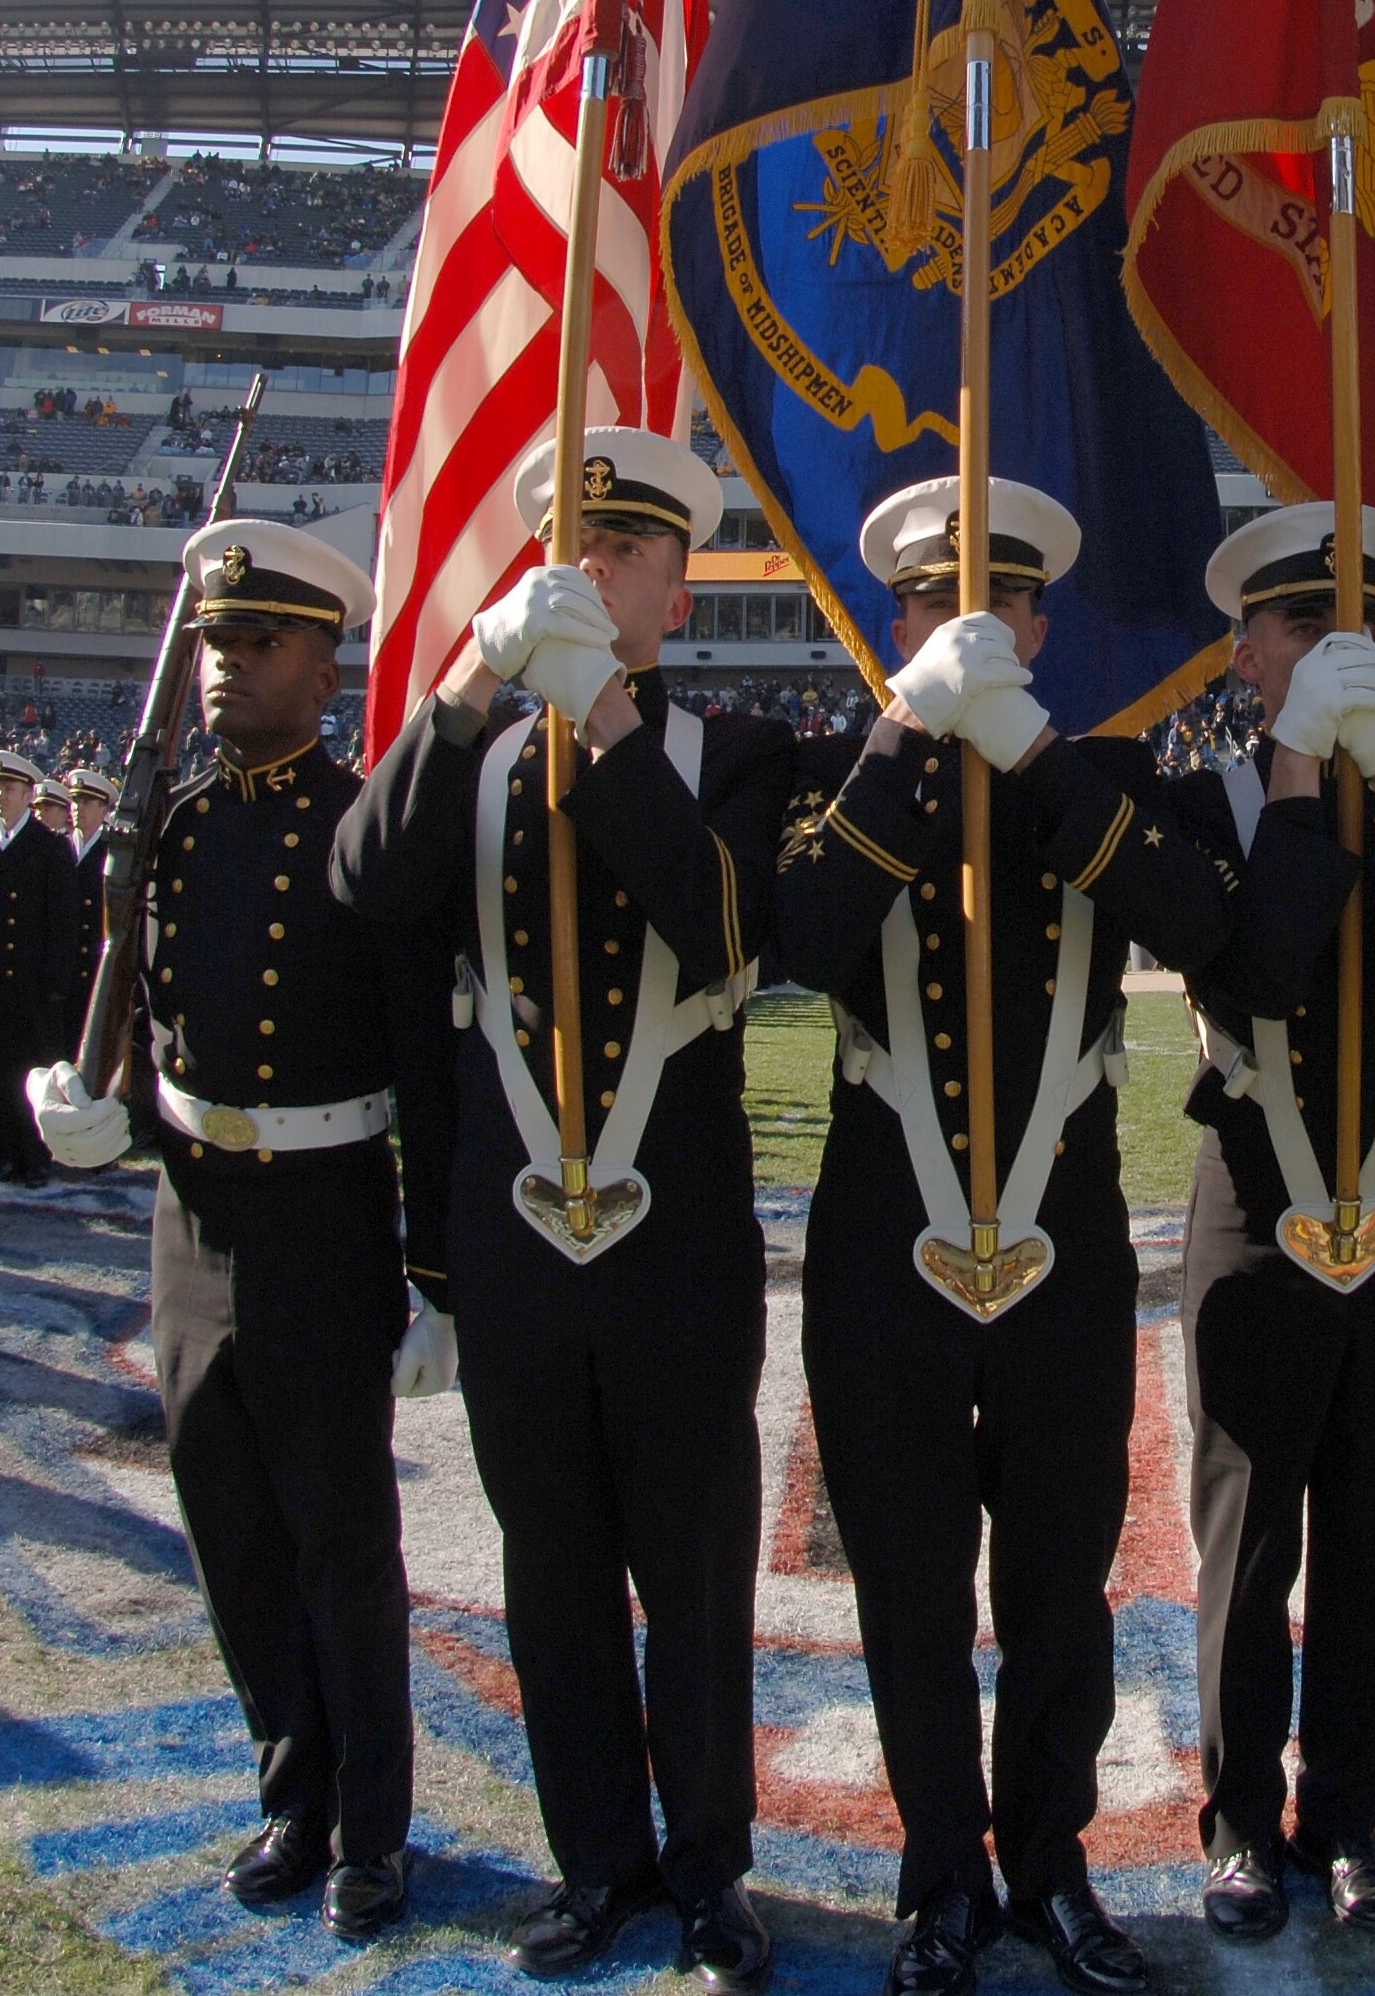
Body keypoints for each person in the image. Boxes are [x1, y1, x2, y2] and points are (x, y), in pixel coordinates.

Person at [331, 428, 793, 1990]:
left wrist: (600, 712)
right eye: (572, 549)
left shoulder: (734, 754)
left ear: (678, 595)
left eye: (628, 551)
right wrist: (473, 683)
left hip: (679, 1242)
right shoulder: (468, 751)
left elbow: (727, 932)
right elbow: (365, 885)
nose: (594, 571)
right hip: (513, 1234)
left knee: (697, 1571)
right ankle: (597, 1861)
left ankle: (712, 1868)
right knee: (554, 1575)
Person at [767, 473, 1231, 1996]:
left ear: (1039, 627)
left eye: (1003, 599)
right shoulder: (836, 769)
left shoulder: (1104, 773)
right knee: (908, 1587)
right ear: (892, 619)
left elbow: (1201, 926)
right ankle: (940, 1879)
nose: (970, 618)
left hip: (1062, 1242)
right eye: (934, 598)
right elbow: (806, 938)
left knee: (1058, 1584)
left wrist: (1029, 755)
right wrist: (912, 728)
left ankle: (1049, 1864)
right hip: (881, 1244)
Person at [28, 522, 438, 1947]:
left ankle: (373, 1830)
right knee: (232, 1534)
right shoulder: (178, 827)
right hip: (193, 1219)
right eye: (214, 642)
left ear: (325, 668)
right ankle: (292, 1796)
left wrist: (435, 1271)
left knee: (341, 1540)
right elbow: (145, 1015)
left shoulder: (363, 830)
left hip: (324, 1220)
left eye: (260, 642)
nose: (227, 665)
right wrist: (100, 1103)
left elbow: (425, 1063)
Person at [1167, 501, 1375, 1946]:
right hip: (1256, 1202)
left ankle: (1350, 1817)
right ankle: (1241, 1822)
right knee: (1249, 1535)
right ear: (1246, 656)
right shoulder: (1208, 805)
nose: (1335, 650)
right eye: (1304, 628)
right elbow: (1261, 974)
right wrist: (1302, 767)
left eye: (1356, 628)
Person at [0, 753, 77, 1187]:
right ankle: (4, 1151)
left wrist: (55, 983)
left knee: (31, 1076)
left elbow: (61, 921)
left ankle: (34, 1157)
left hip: (30, 983)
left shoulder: (49, 847)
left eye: (8, 789)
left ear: (29, 795)